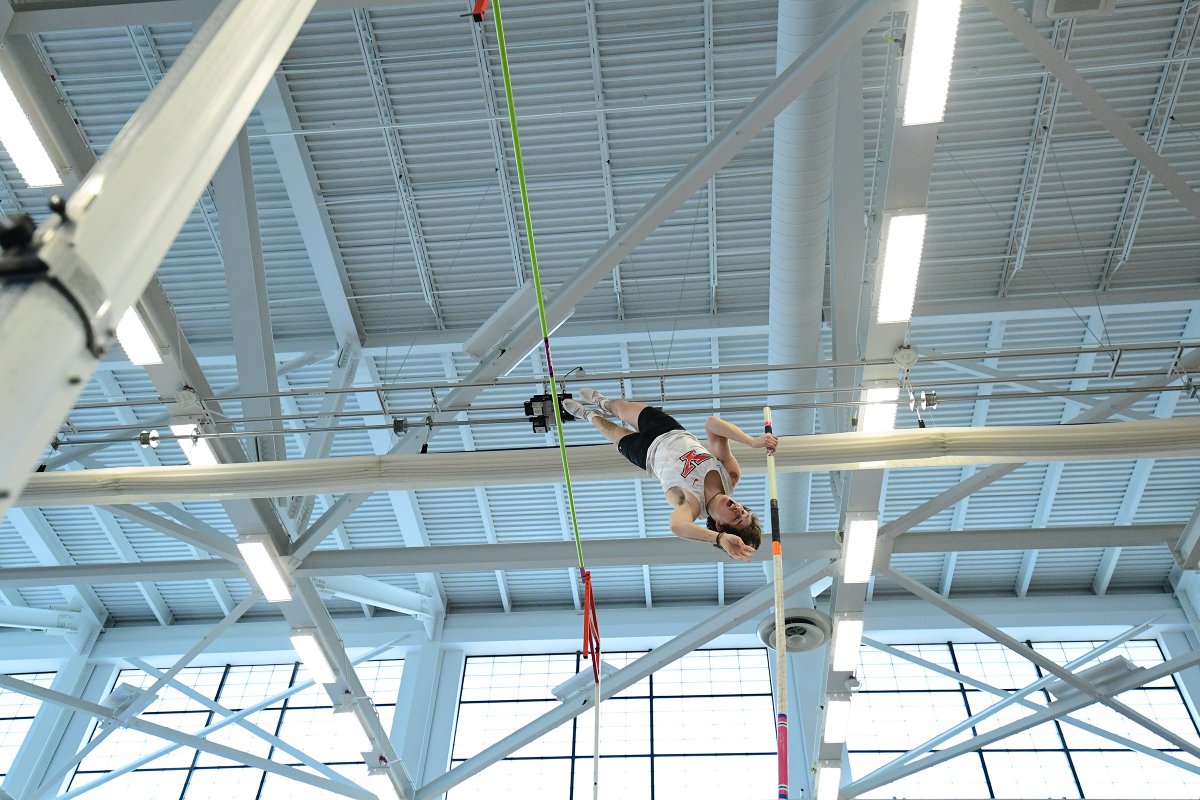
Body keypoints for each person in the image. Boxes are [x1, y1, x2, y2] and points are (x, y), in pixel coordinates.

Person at [563, 388, 777, 562]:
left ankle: (587, 414)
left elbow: (677, 526)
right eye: (744, 512)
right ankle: (602, 402)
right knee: (622, 407)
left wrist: (720, 539)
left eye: (737, 518)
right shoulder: (730, 476)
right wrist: (751, 441)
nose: (738, 509)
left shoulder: (692, 506)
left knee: (607, 427)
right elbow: (712, 424)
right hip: (669, 430)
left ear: (720, 525)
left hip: (645, 454)